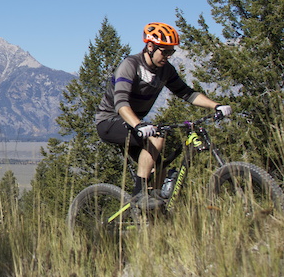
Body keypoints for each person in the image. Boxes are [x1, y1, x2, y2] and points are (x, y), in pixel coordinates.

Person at [95, 22, 232, 209]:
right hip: (110, 122)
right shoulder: (131, 65)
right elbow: (121, 104)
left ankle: (153, 212)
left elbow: (187, 93)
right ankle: (138, 195)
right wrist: (139, 125)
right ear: (150, 46)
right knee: (157, 137)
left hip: (135, 125)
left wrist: (216, 105)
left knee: (160, 168)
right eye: (164, 51)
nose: (167, 57)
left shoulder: (165, 70)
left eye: (171, 52)